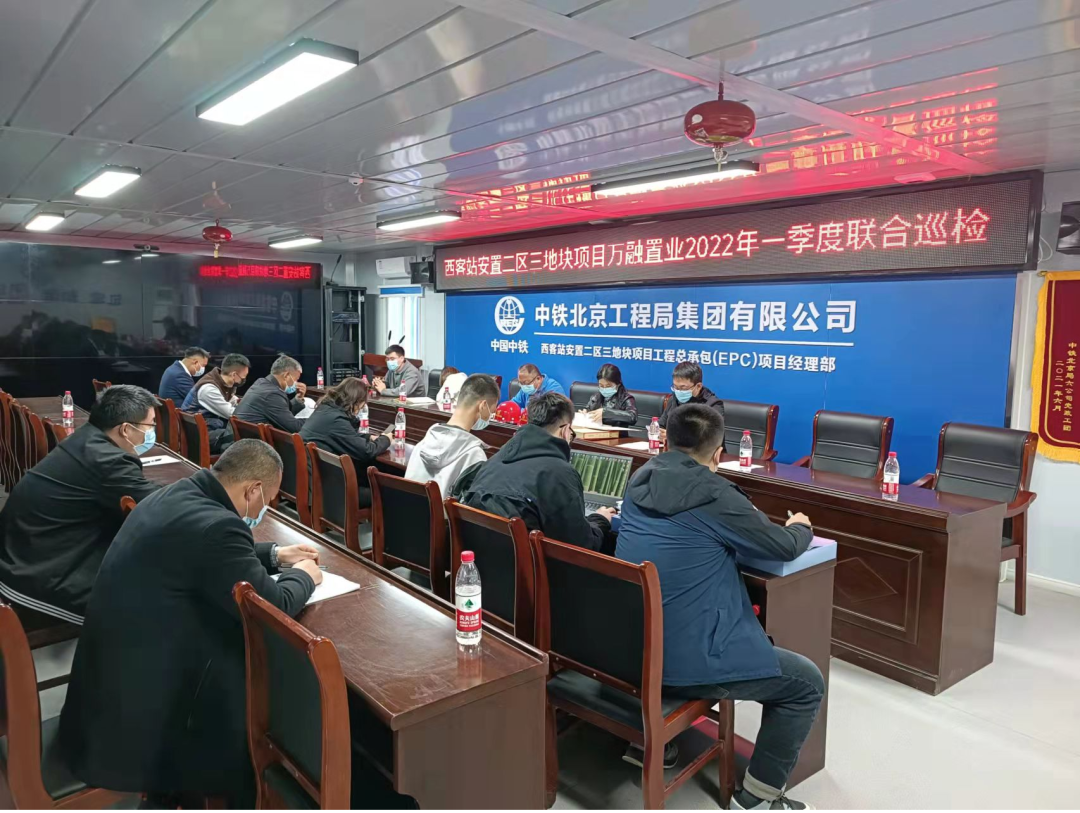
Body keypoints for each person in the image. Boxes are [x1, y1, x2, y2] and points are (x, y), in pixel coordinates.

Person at [59, 440, 323, 808]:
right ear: (253, 490)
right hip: (141, 716)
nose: (267, 507)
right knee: (254, 686)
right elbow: (272, 605)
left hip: (109, 683)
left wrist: (277, 555)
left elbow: (214, 555)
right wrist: (305, 575)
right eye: (269, 499)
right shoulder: (217, 526)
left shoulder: (178, 494)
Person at [616, 405, 820, 811]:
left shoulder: (640, 477)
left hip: (630, 646)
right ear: (718, 453)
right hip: (683, 660)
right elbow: (781, 546)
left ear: (666, 440)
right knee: (806, 683)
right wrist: (800, 526)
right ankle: (759, 799)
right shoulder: (716, 494)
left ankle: (653, 742)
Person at [0, 385, 161, 624]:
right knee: (158, 595)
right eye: (151, 425)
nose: (152, 431)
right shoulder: (108, 460)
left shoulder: (86, 438)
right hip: (38, 579)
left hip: (24, 555)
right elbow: (159, 503)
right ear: (126, 429)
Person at [463, 391, 614, 553]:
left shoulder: (493, 461)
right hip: (529, 567)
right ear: (565, 430)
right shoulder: (560, 474)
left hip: (479, 562)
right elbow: (580, 547)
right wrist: (600, 520)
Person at [301, 377, 394, 508]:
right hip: (333, 491)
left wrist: (368, 437)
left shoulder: (326, 408)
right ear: (356, 401)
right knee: (391, 493)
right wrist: (385, 439)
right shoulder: (336, 419)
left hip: (319, 482)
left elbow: (343, 435)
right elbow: (367, 451)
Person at [406, 374, 500, 498]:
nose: (490, 418)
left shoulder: (423, 443)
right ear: (482, 406)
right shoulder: (474, 455)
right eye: (492, 412)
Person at [182, 352, 250, 452]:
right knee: (245, 437)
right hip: (199, 434)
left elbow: (232, 400)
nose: (243, 380)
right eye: (243, 378)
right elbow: (232, 414)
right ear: (234, 375)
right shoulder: (209, 389)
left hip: (208, 426)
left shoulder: (222, 383)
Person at [234, 354, 308, 433]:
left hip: (242, 435)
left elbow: (281, 415)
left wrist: (298, 399)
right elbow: (294, 427)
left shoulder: (261, 383)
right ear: (286, 375)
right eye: (296, 379)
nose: (296, 383)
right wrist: (315, 421)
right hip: (248, 439)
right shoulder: (272, 394)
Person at [657, 361, 724, 435]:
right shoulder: (673, 399)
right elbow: (661, 425)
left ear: (698, 386)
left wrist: (672, 436)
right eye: (675, 387)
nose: (678, 391)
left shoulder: (713, 405)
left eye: (683, 388)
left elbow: (712, 437)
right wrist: (657, 431)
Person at [583, 363, 638, 427]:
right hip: (595, 432)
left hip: (617, 433)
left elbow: (632, 417)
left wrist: (606, 413)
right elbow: (588, 410)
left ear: (618, 384)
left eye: (608, 386)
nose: (604, 389)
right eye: (601, 385)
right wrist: (585, 413)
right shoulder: (595, 397)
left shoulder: (626, 398)